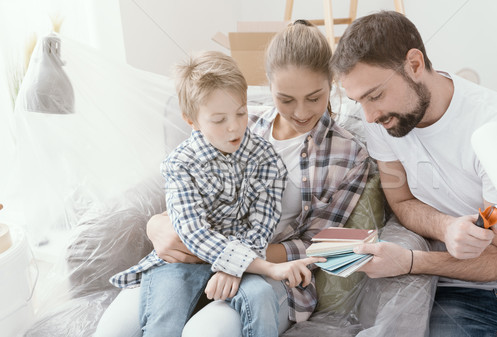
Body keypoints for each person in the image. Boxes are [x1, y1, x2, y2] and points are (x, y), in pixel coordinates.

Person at [330, 10, 497, 336]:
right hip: (458, 291)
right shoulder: (381, 125)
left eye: (375, 95)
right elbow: (400, 200)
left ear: (414, 65)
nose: (369, 115)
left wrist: (410, 261)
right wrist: (445, 226)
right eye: (359, 101)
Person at [95, 21, 370, 337]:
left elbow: (317, 246)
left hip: (269, 276)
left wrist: (233, 258)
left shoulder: (349, 154)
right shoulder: (235, 118)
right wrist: (156, 224)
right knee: (114, 329)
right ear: (267, 85)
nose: (301, 112)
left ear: (331, 82)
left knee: (205, 332)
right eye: (286, 98)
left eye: (314, 97)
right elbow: (186, 191)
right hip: (189, 261)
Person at [107, 50, 318, 337]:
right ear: (191, 120)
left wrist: (235, 268)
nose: (234, 126)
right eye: (219, 120)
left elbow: (262, 225)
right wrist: (250, 264)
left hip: (246, 260)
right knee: (163, 322)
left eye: (241, 113)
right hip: (186, 261)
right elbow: (192, 232)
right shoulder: (180, 164)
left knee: (259, 298)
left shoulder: (265, 157)